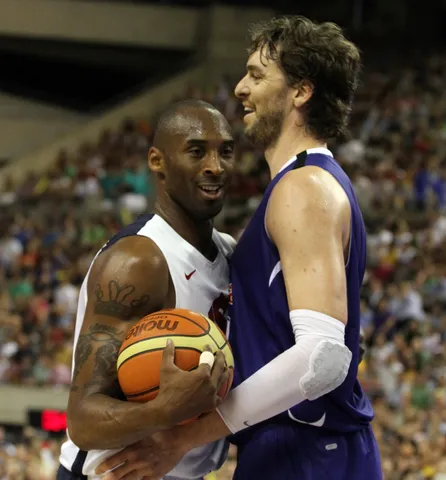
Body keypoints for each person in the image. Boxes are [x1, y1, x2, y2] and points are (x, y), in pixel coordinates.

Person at [97, 16, 382, 480]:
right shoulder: (307, 184)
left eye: (257, 75)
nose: (240, 88)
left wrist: (184, 437)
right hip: (299, 447)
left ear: (301, 92)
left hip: (307, 451)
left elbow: (324, 357)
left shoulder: (304, 188)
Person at [57, 99, 237, 480]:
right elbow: (82, 420)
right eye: (196, 151)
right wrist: (163, 410)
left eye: (225, 152)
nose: (215, 166)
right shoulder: (139, 261)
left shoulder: (230, 254)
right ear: (157, 161)